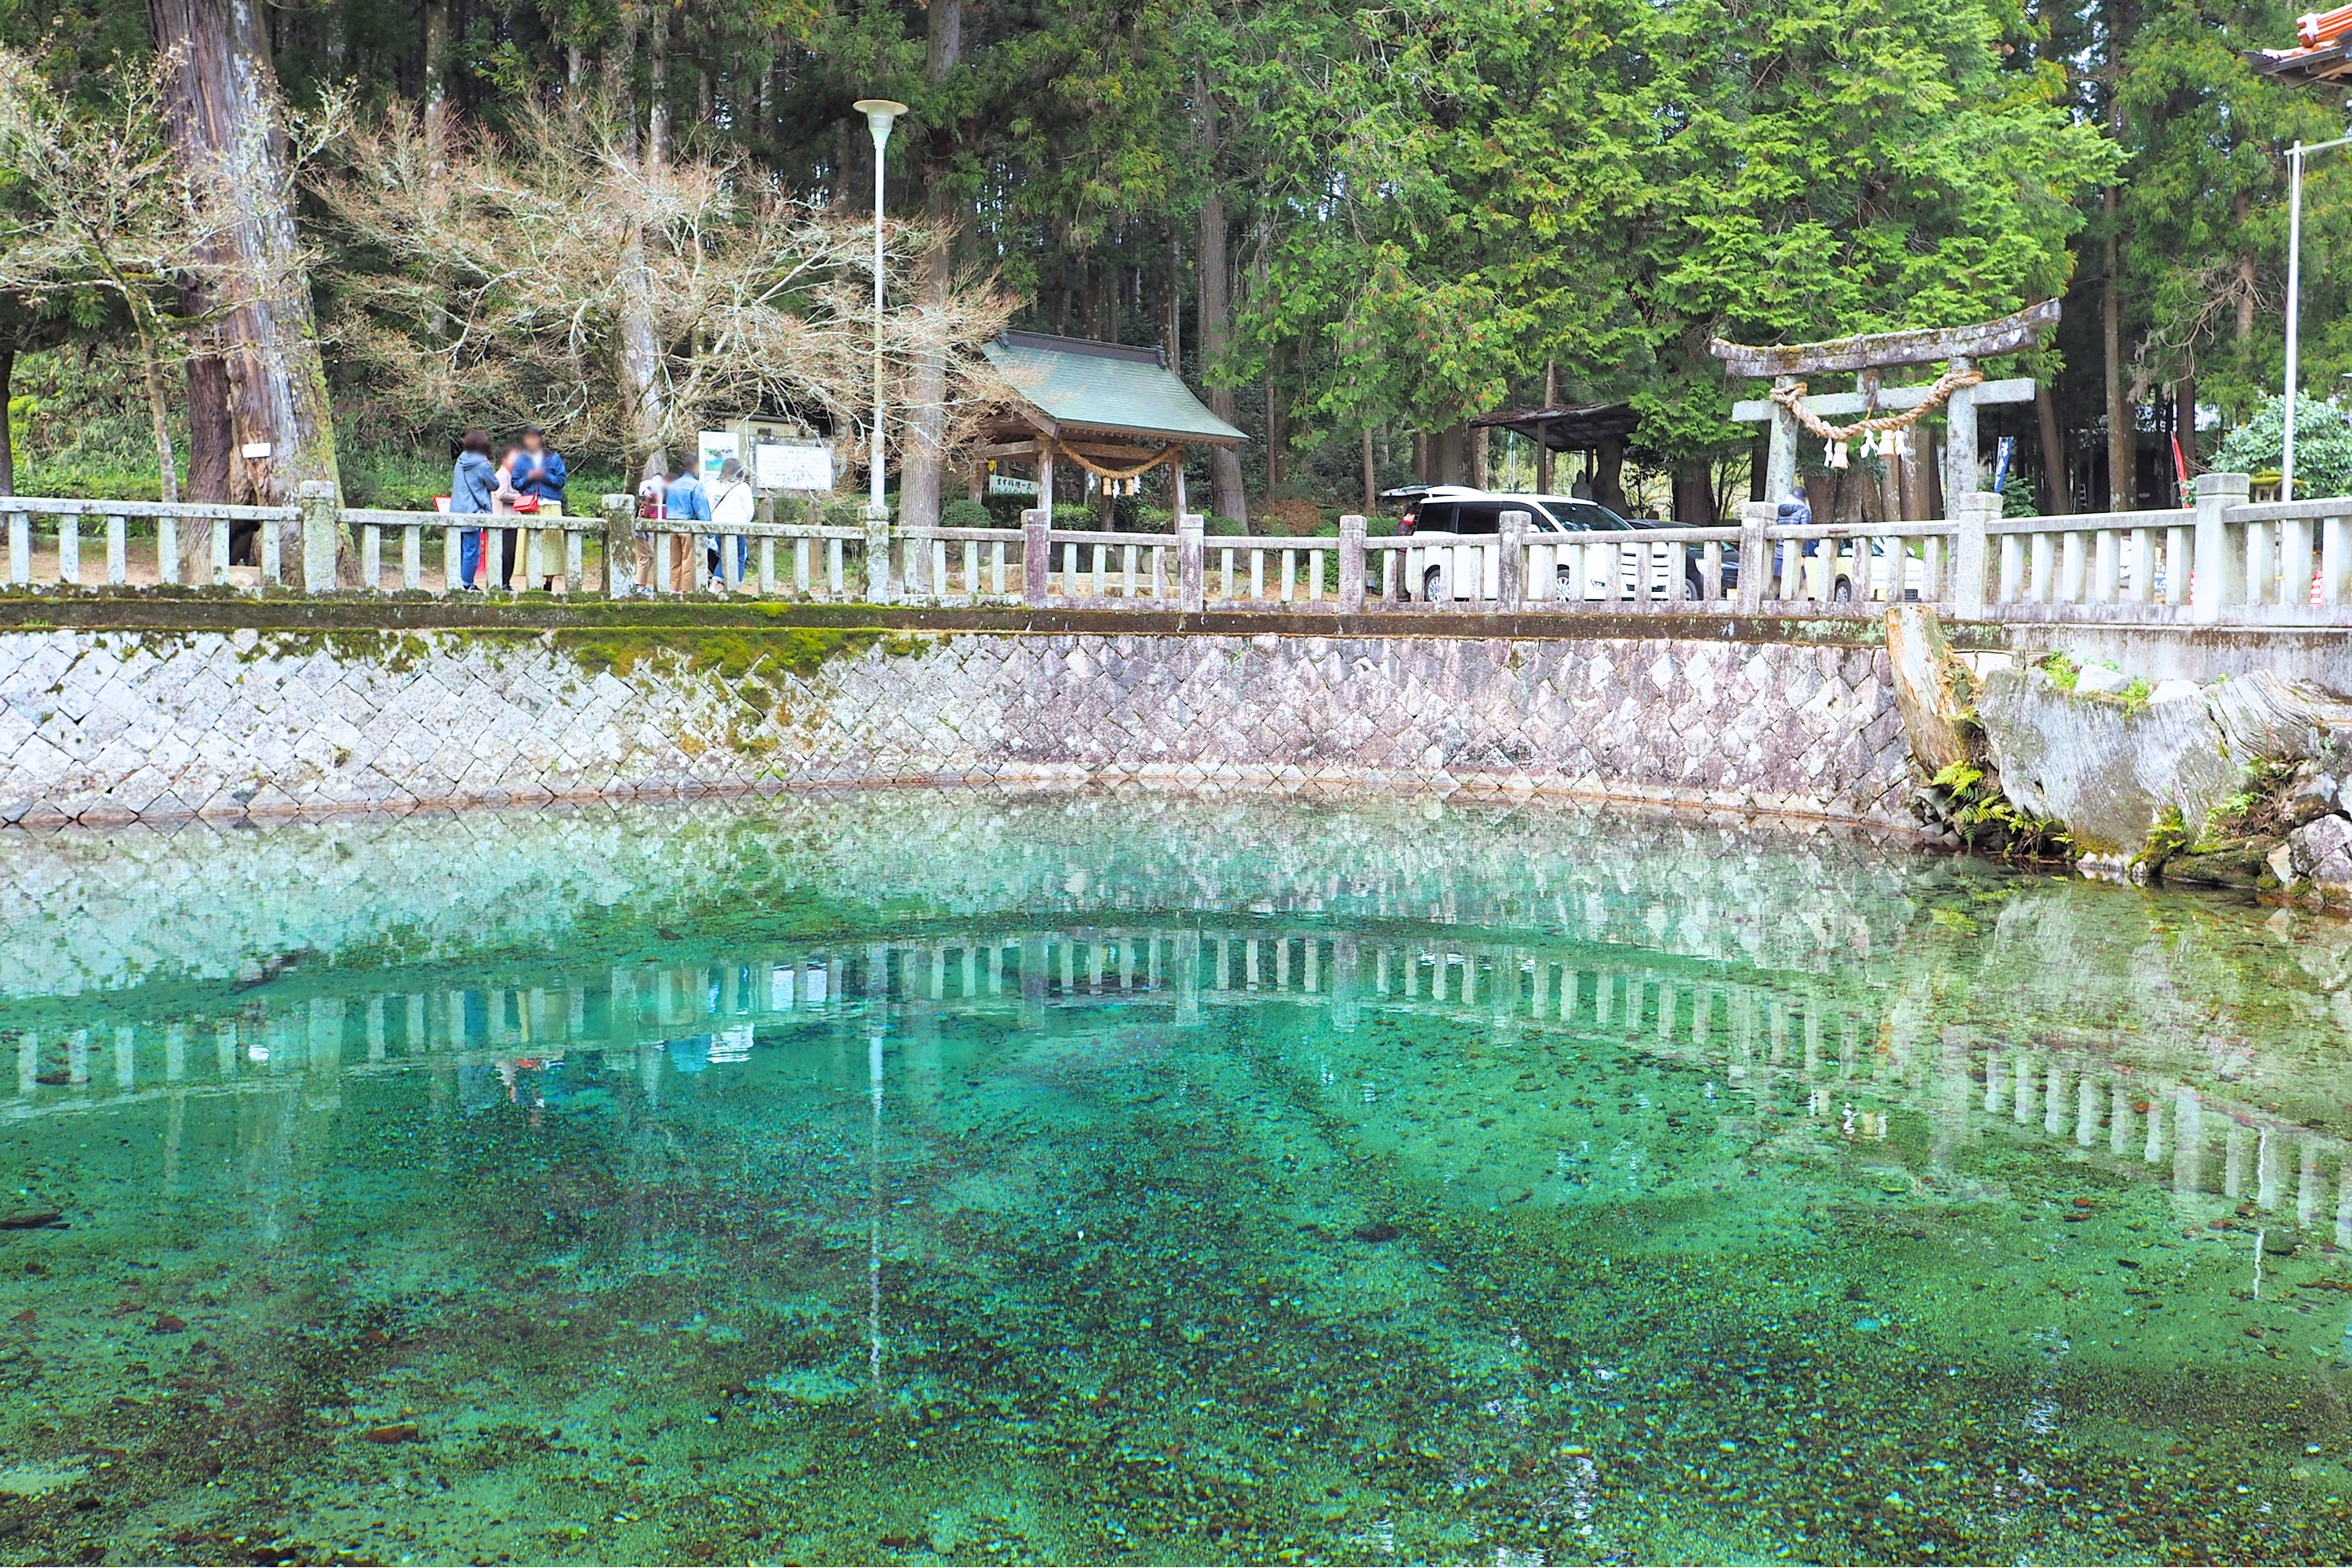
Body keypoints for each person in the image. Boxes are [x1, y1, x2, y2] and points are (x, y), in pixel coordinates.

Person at [511, 428, 567, 589]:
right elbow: (515, 483)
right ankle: (532, 580)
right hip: (529, 505)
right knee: (528, 543)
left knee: (551, 543)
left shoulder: (554, 458)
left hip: (550, 503)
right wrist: (530, 477)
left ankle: (549, 582)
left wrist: (543, 475)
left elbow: (561, 480)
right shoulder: (521, 460)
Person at [451, 429, 498, 590]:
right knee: (471, 550)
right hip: (473, 511)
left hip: (456, 510)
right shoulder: (482, 464)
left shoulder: (460, 460)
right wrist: (488, 465)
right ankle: (466, 583)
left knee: (458, 550)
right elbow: (494, 485)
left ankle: (455, 581)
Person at [663, 460, 711, 594]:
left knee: (675, 560)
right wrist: (709, 528)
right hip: (688, 526)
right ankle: (686, 589)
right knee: (688, 560)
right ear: (695, 466)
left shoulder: (673, 485)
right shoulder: (696, 486)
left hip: (672, 526)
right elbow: (701, 509)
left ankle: (674, 588)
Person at [706, 457, 754, 590]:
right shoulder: (743, 487)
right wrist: (744, 522)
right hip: (737, 525)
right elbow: (749, 510)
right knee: (739, 557)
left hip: (718, 525)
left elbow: (710, 506)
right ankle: (734, 585)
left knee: (723, 556)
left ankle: (714, 585)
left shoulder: (716, 485)